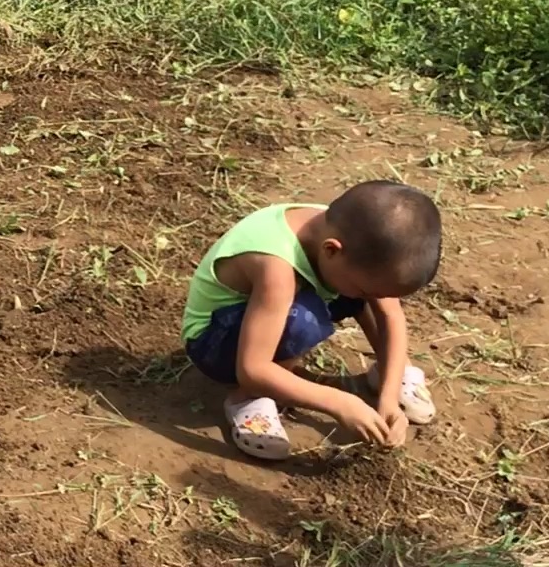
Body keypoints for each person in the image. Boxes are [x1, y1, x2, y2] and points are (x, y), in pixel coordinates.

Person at [179, 180, 441, 460]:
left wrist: (388, 398)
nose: (377, 298)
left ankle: (393, 371)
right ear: (331, 250)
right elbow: (252, 368)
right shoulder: (276, 266)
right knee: (304, 320)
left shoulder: (354, 237)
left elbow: (390, 315)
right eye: (369, 291)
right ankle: (247, 398)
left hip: (275, 309)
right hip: (216, 342)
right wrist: (340, 403)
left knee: (357, 294)